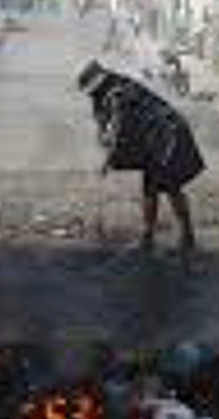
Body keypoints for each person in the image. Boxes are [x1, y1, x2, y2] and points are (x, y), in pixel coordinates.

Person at [77, 59, 205, 265]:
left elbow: (119, 128)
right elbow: (103, 123)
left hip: (168, 136)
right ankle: (151, 236)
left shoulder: (118, 93)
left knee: (169, 186)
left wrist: (107, 159)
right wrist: (104, 141)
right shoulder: (109, 89)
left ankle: (182, 235)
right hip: (154, 139)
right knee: (151, 188)